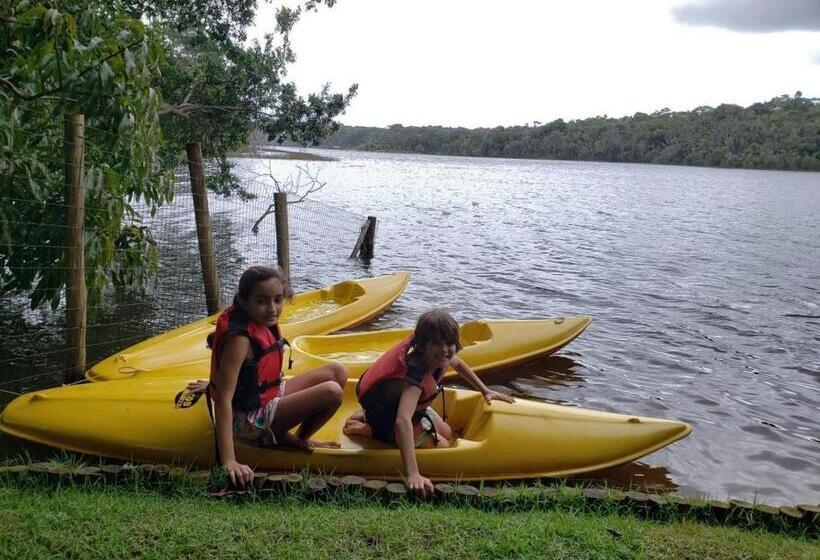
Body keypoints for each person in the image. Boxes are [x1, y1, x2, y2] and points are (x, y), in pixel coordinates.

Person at [199, 265, 347, 488]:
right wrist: (229, 460)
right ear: (243, 301)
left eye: (278, 300)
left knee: (337, 372)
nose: (272, 309)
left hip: (266, 398)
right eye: (262, 301)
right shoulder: (240, 340)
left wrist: (210, 384)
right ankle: (287, 438)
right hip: (247, 420)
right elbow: (223, 399)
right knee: (332, 392)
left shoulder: (261, 322)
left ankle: (296, 438)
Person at [343, 308, 514, 494]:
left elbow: (458, 364)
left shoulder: (439, 356)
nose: (445, 350)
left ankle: (366, 416)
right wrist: (413, 473)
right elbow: (402, 421)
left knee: (447, 432)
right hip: (387, 416)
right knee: (443, 446)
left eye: (450, 343)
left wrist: (485, 391)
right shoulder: (415, 377)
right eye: (437, 344)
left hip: (402, 407)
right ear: (423, 345)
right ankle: (368, 428)